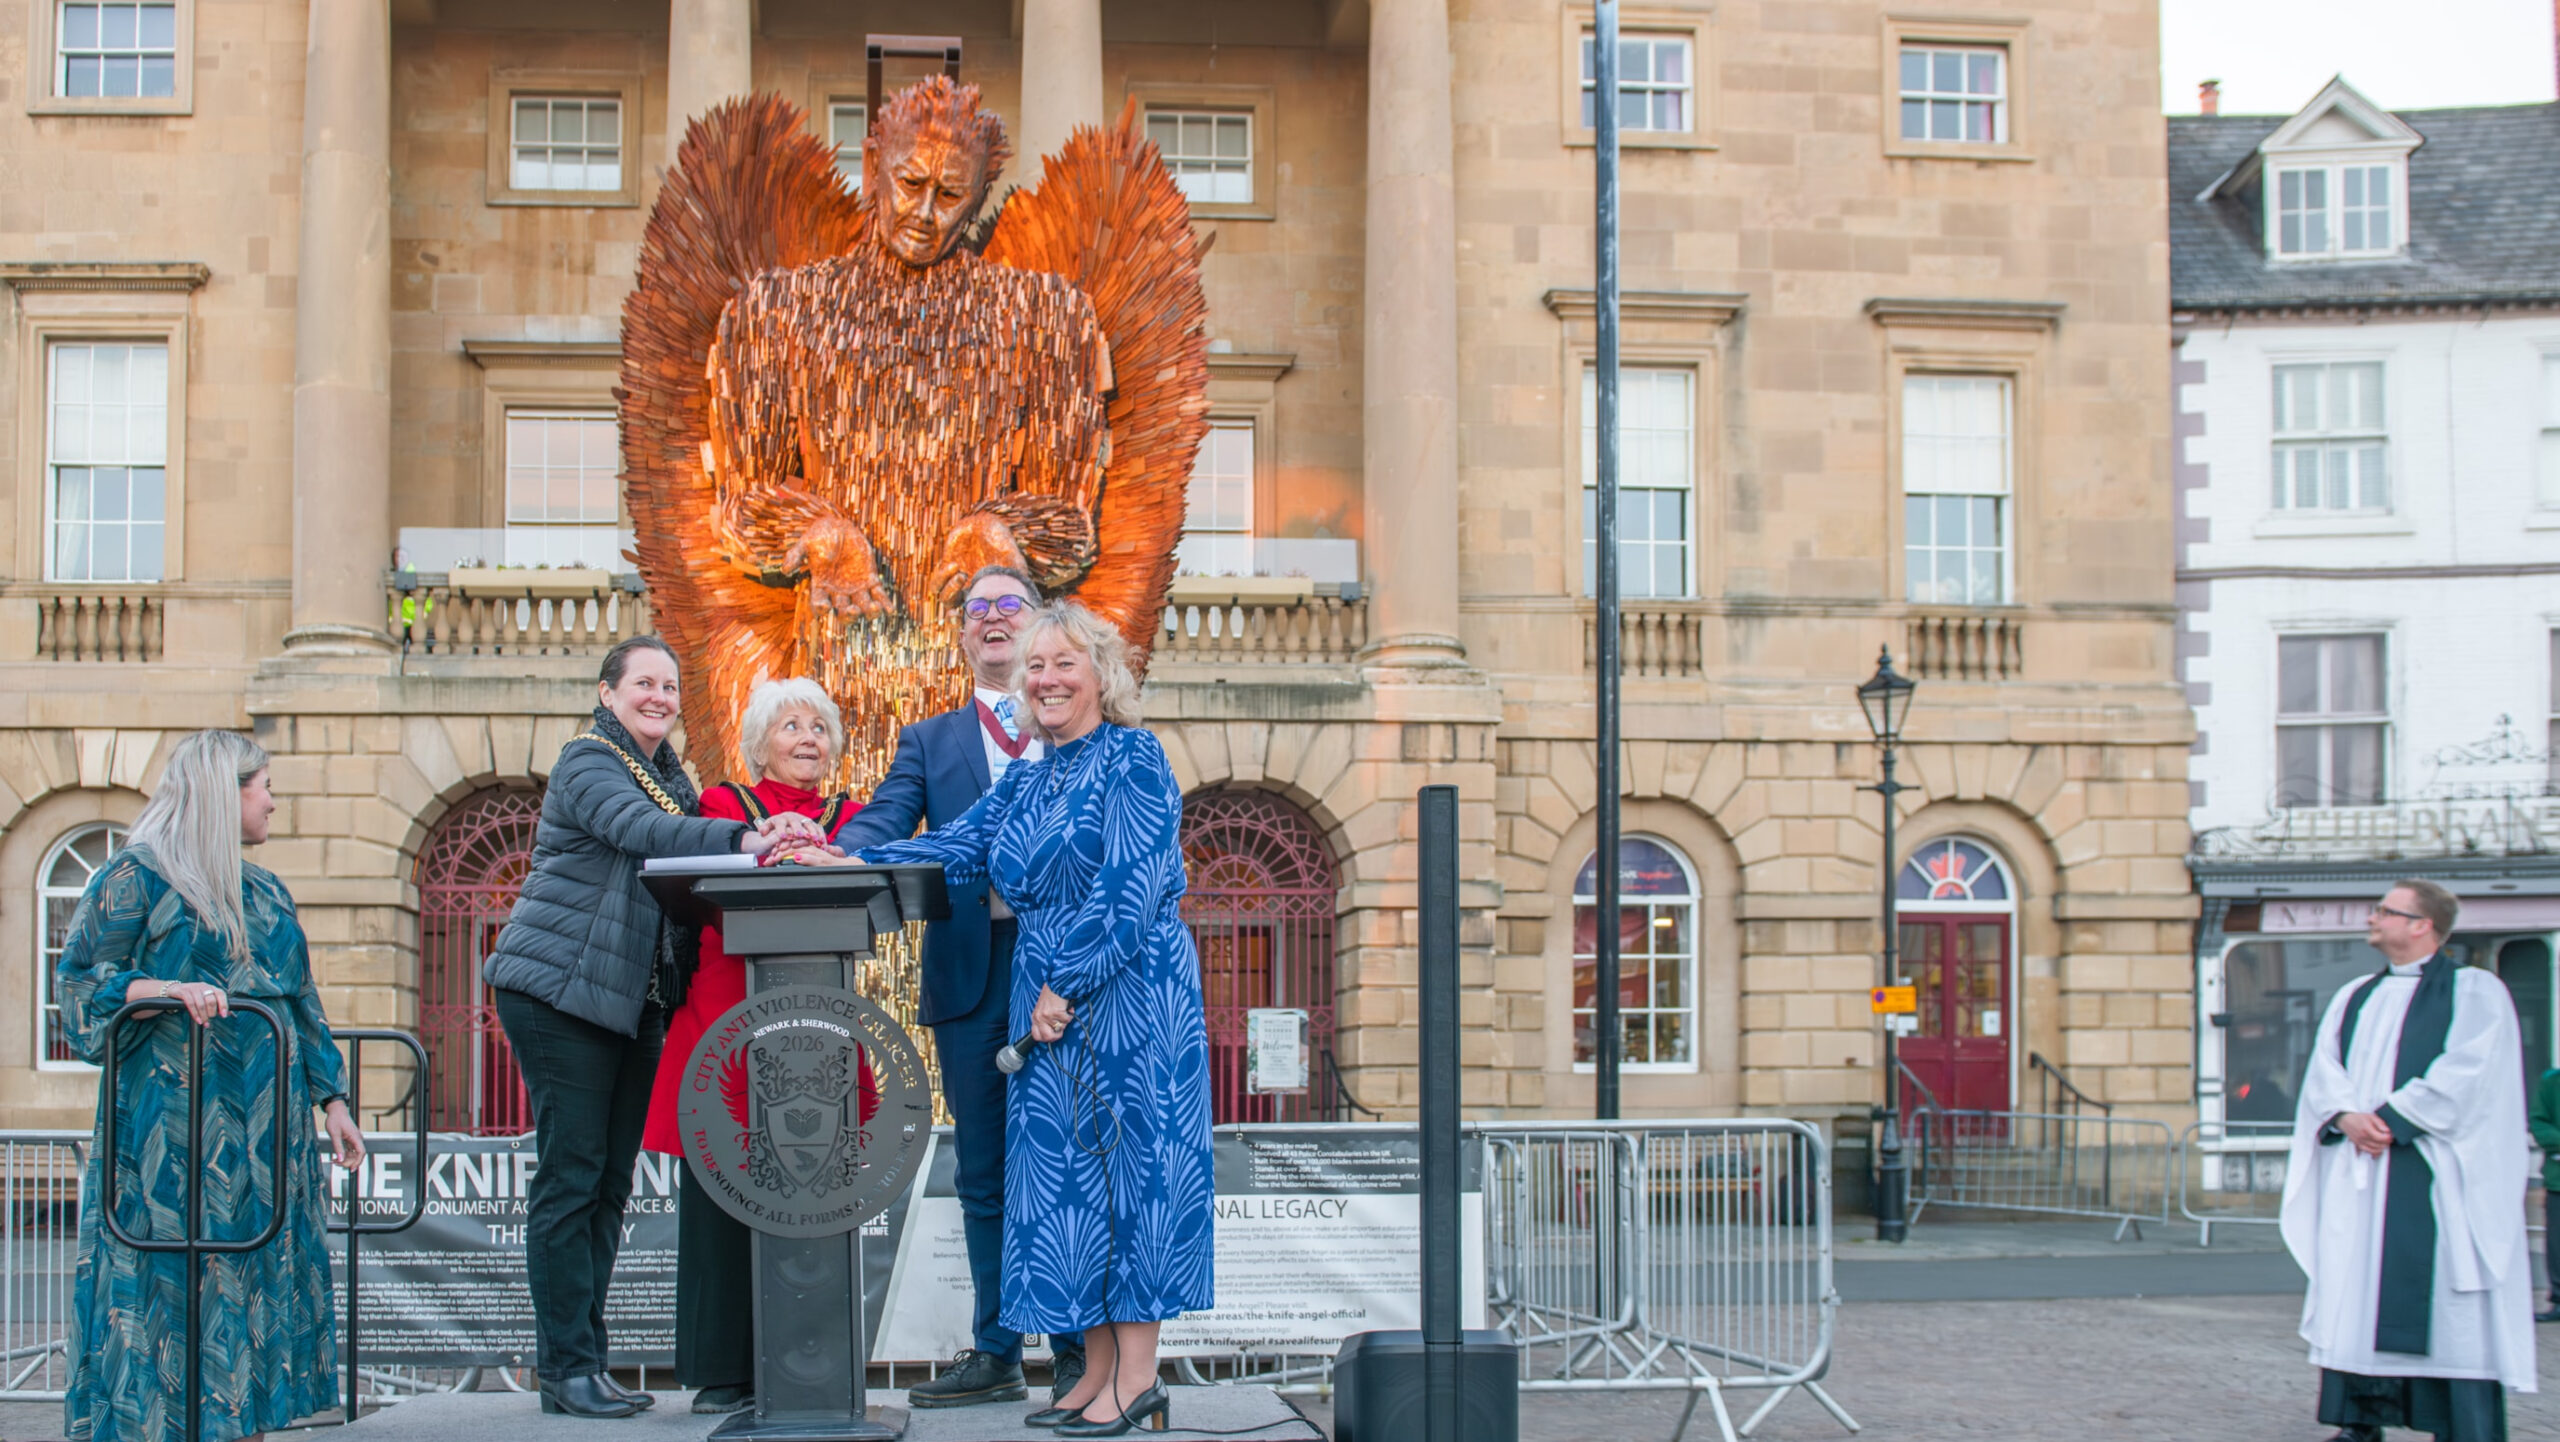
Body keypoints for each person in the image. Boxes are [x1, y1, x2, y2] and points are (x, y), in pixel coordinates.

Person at [839, 601, 1213, 1437]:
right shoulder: (1032, 778)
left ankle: (1140, 1378)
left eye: (1062, 665)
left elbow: (1133, 884)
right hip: (1047, 1004)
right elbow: (953, 846)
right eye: (1032, 668)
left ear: (1100, 677)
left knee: (1133, 1180)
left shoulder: (1134, 757)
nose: (1043, 680)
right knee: (1068, 1187)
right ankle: (1100, 1371)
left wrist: (1065, 984)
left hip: (1129, 998)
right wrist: (845, 854)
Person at [481, 636, 823, 1418]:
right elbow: (644, 835)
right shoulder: (588, 762)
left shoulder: (669, 774)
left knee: (606, 1183)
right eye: (643, 683)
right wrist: (746, 837)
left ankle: (584, 1365)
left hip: (628, 1001)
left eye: (670, 686)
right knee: (571, 1178)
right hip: (559, 991)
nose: (660, 697)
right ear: (609, 694)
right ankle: (565, 1368)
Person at [54, 729, 366, 1442]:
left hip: (266, 1138)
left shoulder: (265, 890)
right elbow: (77, 987)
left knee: (257, 1288)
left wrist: (334, 1100)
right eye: (265, 790)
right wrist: (160, 987)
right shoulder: (135, 877)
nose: (275, 805)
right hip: (171, 1138)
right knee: (167, 1297)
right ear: (223, 793)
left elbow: (301, 1002)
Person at [829, 565, 1089, 1410]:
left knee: (1066, 1161)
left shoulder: (1081, 727)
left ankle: (1081, 1353)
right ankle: (997, 1348)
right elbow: (885, 819)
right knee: (983, 1171)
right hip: (972, 975)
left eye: (1009, 604)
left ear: (1039, 627)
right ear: (964, 636)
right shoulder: (930, 739)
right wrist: (841, 851)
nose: (992, 619)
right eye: (976, 610)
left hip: (1067, 972)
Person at [641, 677, 865, 1416]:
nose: (808, 738)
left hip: (816, 1022)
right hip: (726, 1019)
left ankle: (813, 1364)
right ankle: (723, 1369)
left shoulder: (852, 819)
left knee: (811, 1188)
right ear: (759, 742)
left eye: (819, 727)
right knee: (722, 1191)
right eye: (790, 725)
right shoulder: (723, 807)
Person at [2283, 879, 2537, 1442]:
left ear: (2422, 925)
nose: (2372, 919)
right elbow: (2324, 1071)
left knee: (2446, 1306)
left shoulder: (2476, 992)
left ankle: (2460, 1427)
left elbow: (2470, 1071)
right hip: (2362, 1175)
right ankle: (2359, 1421)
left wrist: (2392, 1122)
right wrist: (2346, 1116)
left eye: (2385, 911)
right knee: (2358, 1294)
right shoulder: (2354, 994)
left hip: (2436, 1175)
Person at [2533, 1061, 2560, 1324]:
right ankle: (2559, 1300)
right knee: (2556, 1243)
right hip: (2558, 1179)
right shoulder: (2552, 1082)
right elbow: (2539, 1121)